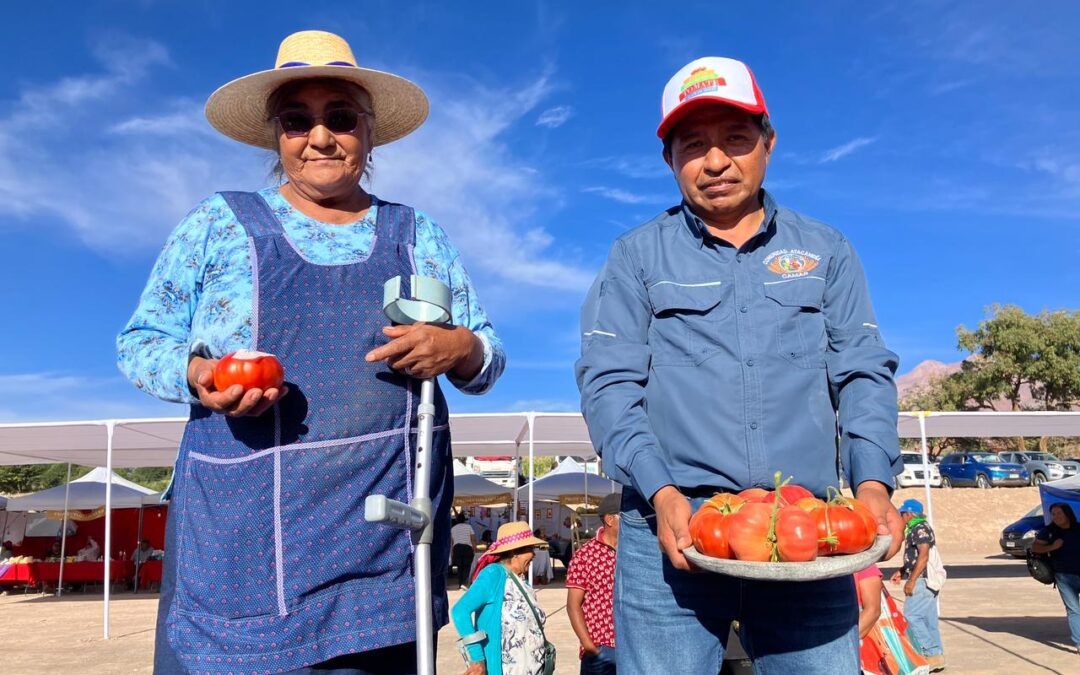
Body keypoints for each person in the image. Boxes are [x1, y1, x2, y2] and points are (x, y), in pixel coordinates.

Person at [116, 30, 504, 673]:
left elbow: (488, 359)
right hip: (241, 550)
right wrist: (199, 374)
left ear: (369, 133)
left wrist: (459, 347)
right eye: (297, 121)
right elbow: (140, 343)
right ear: (276, 135)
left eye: (340, 118)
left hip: (380, 553)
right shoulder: (217, 225)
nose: (319, 137)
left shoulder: (417, 236)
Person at [575, 56, 904, 674]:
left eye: (736, 139)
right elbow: (609, 384)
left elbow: (861, 372)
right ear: (670, 160)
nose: (716, 161)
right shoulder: (634, 257)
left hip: (807, 532)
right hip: (670, 530)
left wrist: (872, 485)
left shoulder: (825, 250)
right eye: (693, 145)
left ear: (769, 143)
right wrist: (664, 492)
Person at [451, 522, 551, 675]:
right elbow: (460, 611)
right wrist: (477, 659)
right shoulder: (493, 575)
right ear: (515, 552)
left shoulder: (521, 580)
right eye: (530, 549)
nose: (534, 554)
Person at [566, 492, 620, 674]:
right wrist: (590, 647)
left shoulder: (634, 553)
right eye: (626, 517)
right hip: (601, 648)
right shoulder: (585, 556)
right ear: (610, 520)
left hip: (634, 646)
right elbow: (573, 605)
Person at [890, 499, 945, 671]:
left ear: (909, 514)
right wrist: (902, 570)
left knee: (911, 616)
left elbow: (923, 556)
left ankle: (930, 652)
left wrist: (912, 580)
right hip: (922, 577)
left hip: (922, 579)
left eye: (902, 514)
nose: (901, 517)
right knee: (928, 620)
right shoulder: (916, 528)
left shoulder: (920, 529)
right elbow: (915, 557)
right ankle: (937, 657)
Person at [1033, 502, 1080, 655]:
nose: (1056, 517)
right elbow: (1036, 548)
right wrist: (1052, 547)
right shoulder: (1049, 532)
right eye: (1053, 514)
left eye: (1059, 513)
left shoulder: (1078, 528)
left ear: (1067, 513)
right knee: (1073, 610)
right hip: (1064, 576)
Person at [452, 512, 478, 590]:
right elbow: (473, 538)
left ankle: (460, 584)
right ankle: (464, 583)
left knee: (460, 567)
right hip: (467, 548)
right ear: (464, 520)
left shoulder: (453, 528)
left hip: (457, 548)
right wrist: (474, 548)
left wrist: (451, 553)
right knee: (467, 566)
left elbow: (451, 542)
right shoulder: (468, 527)